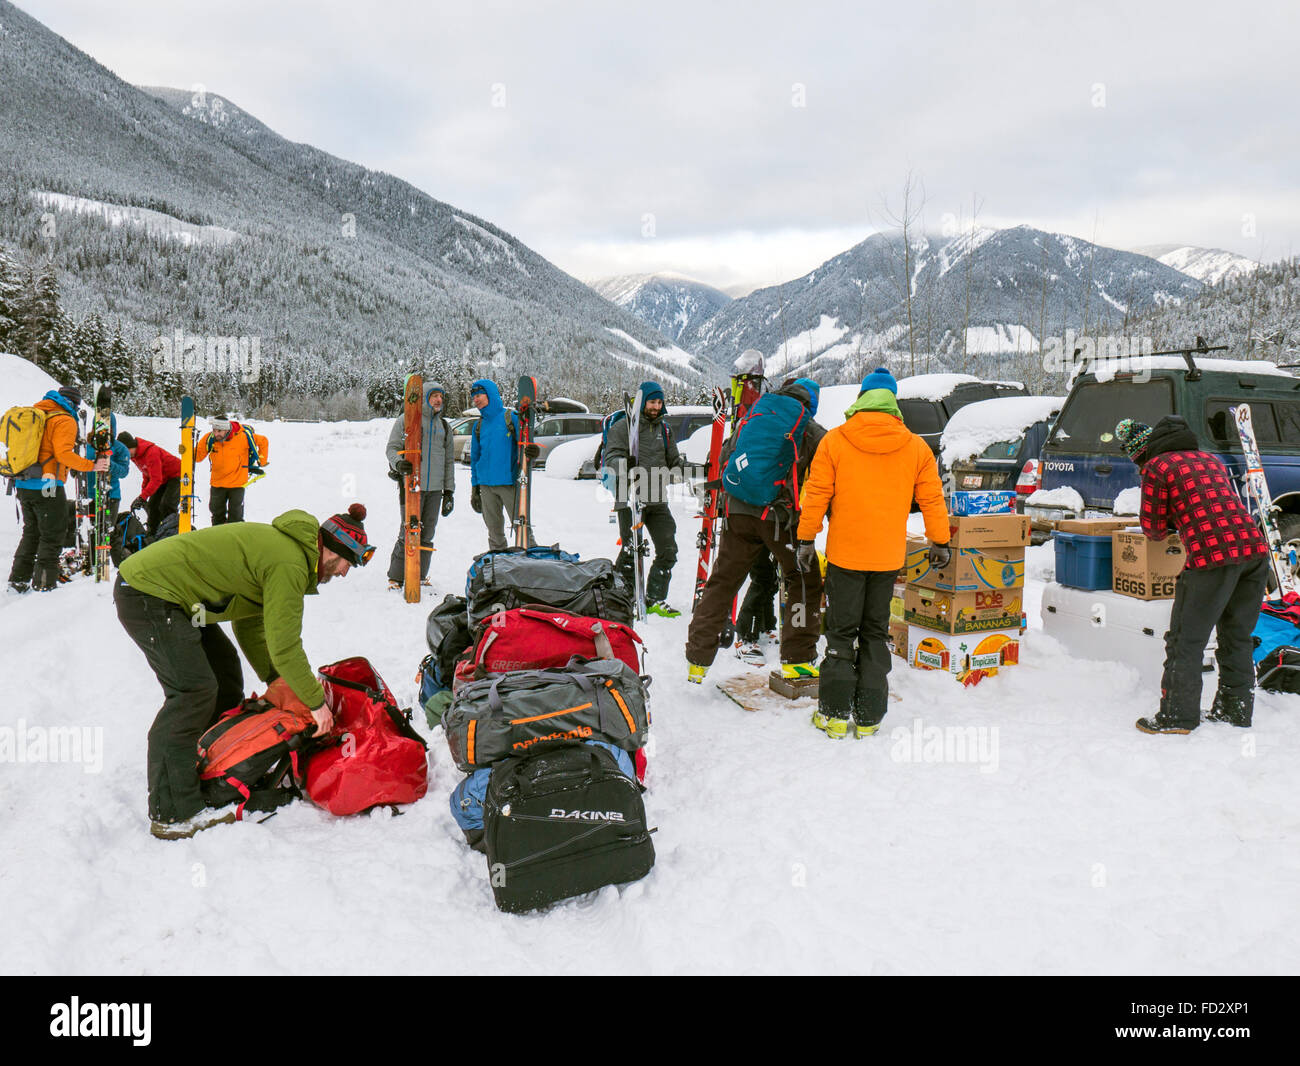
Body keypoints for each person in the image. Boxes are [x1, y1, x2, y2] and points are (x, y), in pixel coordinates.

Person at [115, 502, 372, 838]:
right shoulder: (290, 563)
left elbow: (250, 625)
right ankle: (172, 812)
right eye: (344, 563)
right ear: (329, 550)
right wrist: (314, 703)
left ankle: (214, 769)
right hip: (148, 593)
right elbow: (285, 645)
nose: (343, 573)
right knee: (192, 692)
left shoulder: (286, 552)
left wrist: (277, 680)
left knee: (224, 676)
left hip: (176, 600)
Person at [797, 368, 951, 740]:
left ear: (862, 399)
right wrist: (940, 541)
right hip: (886, 559)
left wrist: (806, 539)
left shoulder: (835, 441)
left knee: (840, 633)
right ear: (892, 402)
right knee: (874, 633)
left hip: (845, 558)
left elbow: (815, 493)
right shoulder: (915, 446)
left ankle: (833, 715)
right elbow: (931, 497)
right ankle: (868, 718)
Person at [1116, 416, 1271, 733]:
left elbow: (1153, 529)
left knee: (1185, 641)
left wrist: (1172, 523)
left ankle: (1177, 717)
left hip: (1212, 557)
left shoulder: (1157, 467)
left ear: (1144, 452)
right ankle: (1235, 711)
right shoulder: (1209, 459)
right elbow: (1215, 504)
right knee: (1236, 637)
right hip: (1254, 552)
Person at [686, 378, 825, 682]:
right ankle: (798, 659)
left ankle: (697, 658)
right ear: (811, 404)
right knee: (803, 579)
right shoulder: (807, 426)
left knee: (723, 580)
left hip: (737, 510)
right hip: (778, 518)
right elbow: (829, 466)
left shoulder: (754, 415)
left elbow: (726, 457)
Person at [7, 385, 108, 593]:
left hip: (23, 482)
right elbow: (63, 454)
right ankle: (44, 584)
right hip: (48, 485)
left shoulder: (40, 413)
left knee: (32, 532)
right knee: (52, 534)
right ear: (74, 404)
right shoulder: (64, 420)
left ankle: (18, 580)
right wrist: (92, 465)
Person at [603, 380, 687, 617]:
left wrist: (687, 467)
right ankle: (621, 597)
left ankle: (654, 598)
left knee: (668, 548)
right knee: (631, 549)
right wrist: (625, 465)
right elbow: (611, 460)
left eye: (659, 402)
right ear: (643, 402)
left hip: (657, 497)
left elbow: (673, 461)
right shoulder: (623, 427)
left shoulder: (665, 430)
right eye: (652, 401)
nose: (656, 406)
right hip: (629, 498)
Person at [385, 379, 455, 589]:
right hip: (411, 486)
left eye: (441, 396)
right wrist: (400, 463)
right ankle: (396, 577)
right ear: (424, 397)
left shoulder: (444, 426)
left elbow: (449, 461)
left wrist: (449, 491)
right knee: (407, 530)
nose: (438, 400)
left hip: (435, 489)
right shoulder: (406, 420)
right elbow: (392, 448)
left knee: (428, 533)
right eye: (434, 396)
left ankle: (420, 575)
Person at [468, 379, 538, 550]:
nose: (476, 400)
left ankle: (532, 560)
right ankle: (499, 565)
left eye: (479, 395)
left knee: (522, 528)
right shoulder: (479, 425)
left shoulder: (510, 418)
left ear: (490, 394)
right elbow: (475, 458)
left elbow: (525, 444)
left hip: (509, 484)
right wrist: (475, 487)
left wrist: (533, 452)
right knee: (494, 531)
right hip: (486, 486)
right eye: (474, 397)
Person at [196, 415, 268, 525]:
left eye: (219, 431)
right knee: (216, 514)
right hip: (217, 483)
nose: (216, 434)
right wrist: (186, 449)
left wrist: (262, 460)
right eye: (214, 430)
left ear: (227, 429)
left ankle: (234, 539)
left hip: (237, 483)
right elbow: (197, 457)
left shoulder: (242, 437)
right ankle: (217, 537)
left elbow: (263, 441)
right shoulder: (209, 439)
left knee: (235, 517)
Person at [117, 432, 182, 537]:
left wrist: (142, 497)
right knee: (152, 506)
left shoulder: (151, 452)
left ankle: (171, 533)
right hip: (163, 478)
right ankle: (153, 534)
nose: (125, 455)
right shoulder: (135, 456)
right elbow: (147, 475)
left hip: (178, 474)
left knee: (167, 505)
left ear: (131, 446)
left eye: (125, 451)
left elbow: (156, 479)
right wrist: (143, 496)